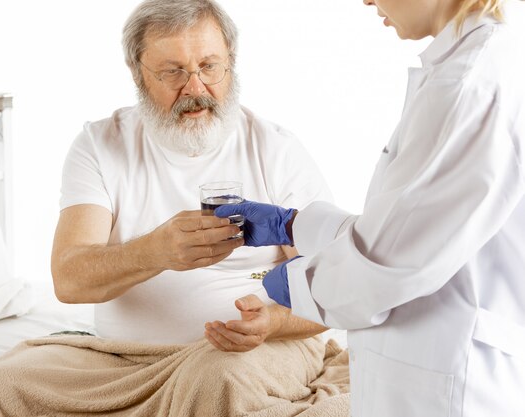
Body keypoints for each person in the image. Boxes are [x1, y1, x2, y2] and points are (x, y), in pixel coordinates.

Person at [0, 1, 350, 416]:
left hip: (251, 352)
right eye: (173, 72)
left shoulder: (275, 148)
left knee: (215, 384)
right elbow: (69, 280)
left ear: (231, 62)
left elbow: (334, 286)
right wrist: (156, 251)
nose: (196, 89)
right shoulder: (100, 146)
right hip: (122, 361)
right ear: (137, 73)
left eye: (209, 66)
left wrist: (272, 322)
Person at [215, 0, 525, 416]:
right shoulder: (467, 68)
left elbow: (392, 262)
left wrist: (297, 284)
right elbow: (407, 229)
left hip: (450, 384)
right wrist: (292, 226)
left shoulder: (468, 84)